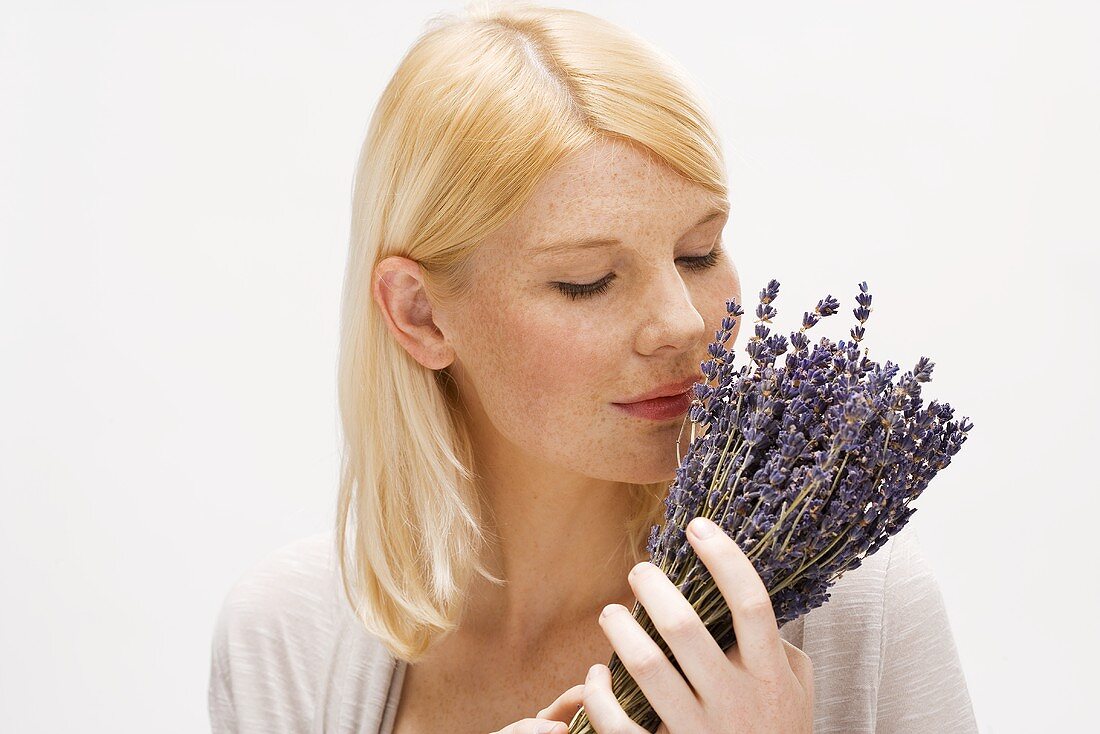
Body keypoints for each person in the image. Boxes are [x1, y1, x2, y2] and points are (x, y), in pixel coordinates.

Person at [207, 2, 980, 732]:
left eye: (699, 252)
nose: (683, 322)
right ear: (420, 312)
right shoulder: (288, 639)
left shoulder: (858, 611)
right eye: (588, 280)